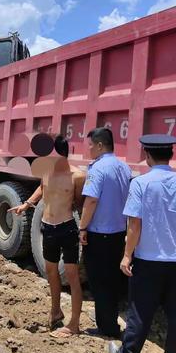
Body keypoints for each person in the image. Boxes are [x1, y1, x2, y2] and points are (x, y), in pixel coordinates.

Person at [109, 134, 176, 353]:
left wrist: (127, 255)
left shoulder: (141, 184)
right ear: (170, 154)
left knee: (139, 314)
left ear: (147, 155)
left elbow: (134, 225)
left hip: (148, 261)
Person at [10, 135, 86, 338]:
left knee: (71, 276)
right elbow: (42, 189)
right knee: (51, 271)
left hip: (67, 228)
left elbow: (79, 201)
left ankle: (75, 324)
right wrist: (26, 204)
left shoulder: (77, 176)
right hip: (48, 228)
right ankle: (55, 311)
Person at [79, 127, 131, 338]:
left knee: (99, 281)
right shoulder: (124, 167)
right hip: (118, 232)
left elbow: (91, 200)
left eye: (90, 145)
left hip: (99, 235)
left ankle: (106, 328)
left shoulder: (97, 169)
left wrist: (82, 227)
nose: (89, 149)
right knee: (112, 280)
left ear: (100, 145)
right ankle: (111, 320)